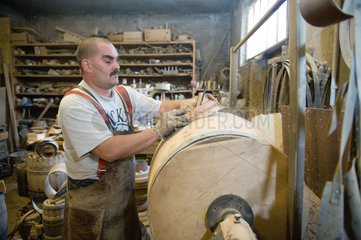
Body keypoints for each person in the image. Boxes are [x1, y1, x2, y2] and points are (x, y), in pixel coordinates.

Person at [58, 37, 212, 240]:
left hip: (124, 202)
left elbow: (161, 108)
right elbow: (108, 150)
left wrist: (197, 101)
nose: (117, 66)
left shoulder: (123, 94)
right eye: (108, 60)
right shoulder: (75, 104)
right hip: (92, 209)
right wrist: (158, 131)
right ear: (87, 65)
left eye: (117, 59)